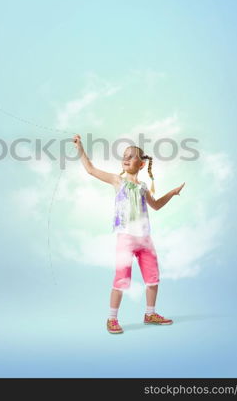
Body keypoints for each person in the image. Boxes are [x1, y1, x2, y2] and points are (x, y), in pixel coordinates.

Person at [73, 134, 185, 334]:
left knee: (153, 278)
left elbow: (156, 206)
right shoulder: (118, 181)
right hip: (126, 239)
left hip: (145, 240)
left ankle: (150, 313)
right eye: (124, 155)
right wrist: (80, 148)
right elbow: (90, 169)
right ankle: (112, 318)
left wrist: (172, 193)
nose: (126, 158)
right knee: (122, 279)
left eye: (132, 156)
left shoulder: (142, 187)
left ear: (141, 164)